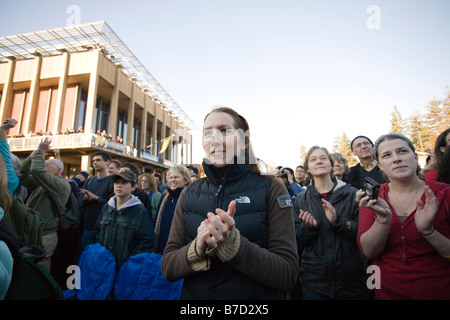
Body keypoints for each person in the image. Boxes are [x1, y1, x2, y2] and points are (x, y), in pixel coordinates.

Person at [161, 107, 299, 300]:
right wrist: (196, 250)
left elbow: (288, 274)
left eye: (224, 130)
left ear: (244, 142)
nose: (214, 139)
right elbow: (167, 267)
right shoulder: (189, 193)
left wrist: (235, 246)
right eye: (207, 132)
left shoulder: (272, 188)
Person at [357, 133, 450, 300]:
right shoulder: (372, 199)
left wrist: (428, 231)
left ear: (415, 157)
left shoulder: (445, 193)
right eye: (387, 155)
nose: (396, 159)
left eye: (402, 151)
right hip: (386, 293)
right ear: (380, 165)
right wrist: (383, 220)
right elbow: (369, 252)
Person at [293, 146, 370, 300]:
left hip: (351, 280)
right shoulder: (301, 200)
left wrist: (338, 221)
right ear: (308, 168)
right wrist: (309, 229)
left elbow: (365, 234)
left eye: (323, 158)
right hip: (314, 281)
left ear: (330, 164)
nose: (319, 162)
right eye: (313, 159)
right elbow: (295, 240)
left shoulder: (352, 194)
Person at [19, 138, 72, 273]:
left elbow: (37, 170)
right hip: (31, 232)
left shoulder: (61, 185)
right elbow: (23, 176)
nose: (44, 166)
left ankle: (42, 292)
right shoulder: (45, 183)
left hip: (45, 235)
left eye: (47, 165)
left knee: (41, 267)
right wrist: (32, 157)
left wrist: (41, 152)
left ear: (59, 170)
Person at [95, 169, 156, 267]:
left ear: (133, 187)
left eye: (124, 183)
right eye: (117, 182)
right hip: (104, 263)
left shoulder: (139, 211)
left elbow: (147, 241)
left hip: (126, 266)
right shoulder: (107, 207)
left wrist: (131, 260)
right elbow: (97, 231)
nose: (119, 185)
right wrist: (100, 252)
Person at [80, 151, 113, 248]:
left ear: (107, 162)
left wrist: (97, 198)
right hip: (88, 227)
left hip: (104, 228)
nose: (95, 163)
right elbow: (80, 203)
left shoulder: (113, 182)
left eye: (98, 160)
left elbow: (114, 205)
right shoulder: (89, 181)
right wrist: (85, 199)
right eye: (93, 161)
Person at [154, 165, 190, 253]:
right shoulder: (164, 197)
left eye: (176, 177)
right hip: (161, 245)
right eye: (170, 178)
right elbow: (155, 221)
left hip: (180, 247)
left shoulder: (189, 198)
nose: (172, 180)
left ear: (185, 180)